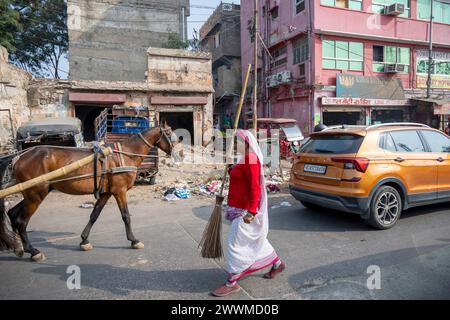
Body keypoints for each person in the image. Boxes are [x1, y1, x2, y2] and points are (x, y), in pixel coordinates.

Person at [212, 129, 285, 297]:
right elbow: (241, 178)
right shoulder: (243, 159)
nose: (234, 144)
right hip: (238, 207)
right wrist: (231, 169)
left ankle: (232, 282)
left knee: (234, 245)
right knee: (257, 240)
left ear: (246, 143)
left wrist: (252, 211)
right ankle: (277, 264)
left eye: (236, 141)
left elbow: (255, 187)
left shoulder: (251, 159)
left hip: (245, 210)